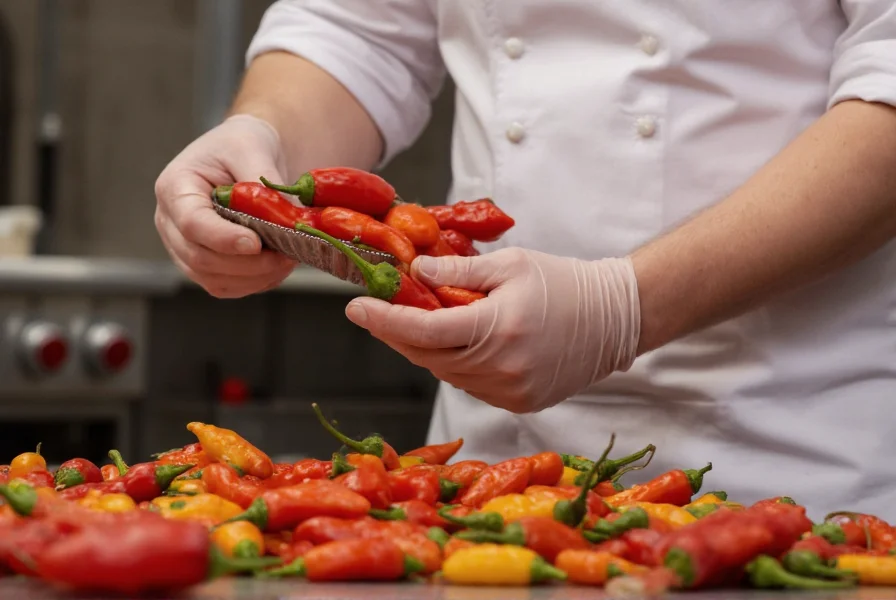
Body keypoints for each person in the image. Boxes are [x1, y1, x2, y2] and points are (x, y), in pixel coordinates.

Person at [154, 1, 896, 518]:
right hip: (487, 470)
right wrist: (267, 147)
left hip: (782, 450)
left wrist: (623, 305)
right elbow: (357, 32)